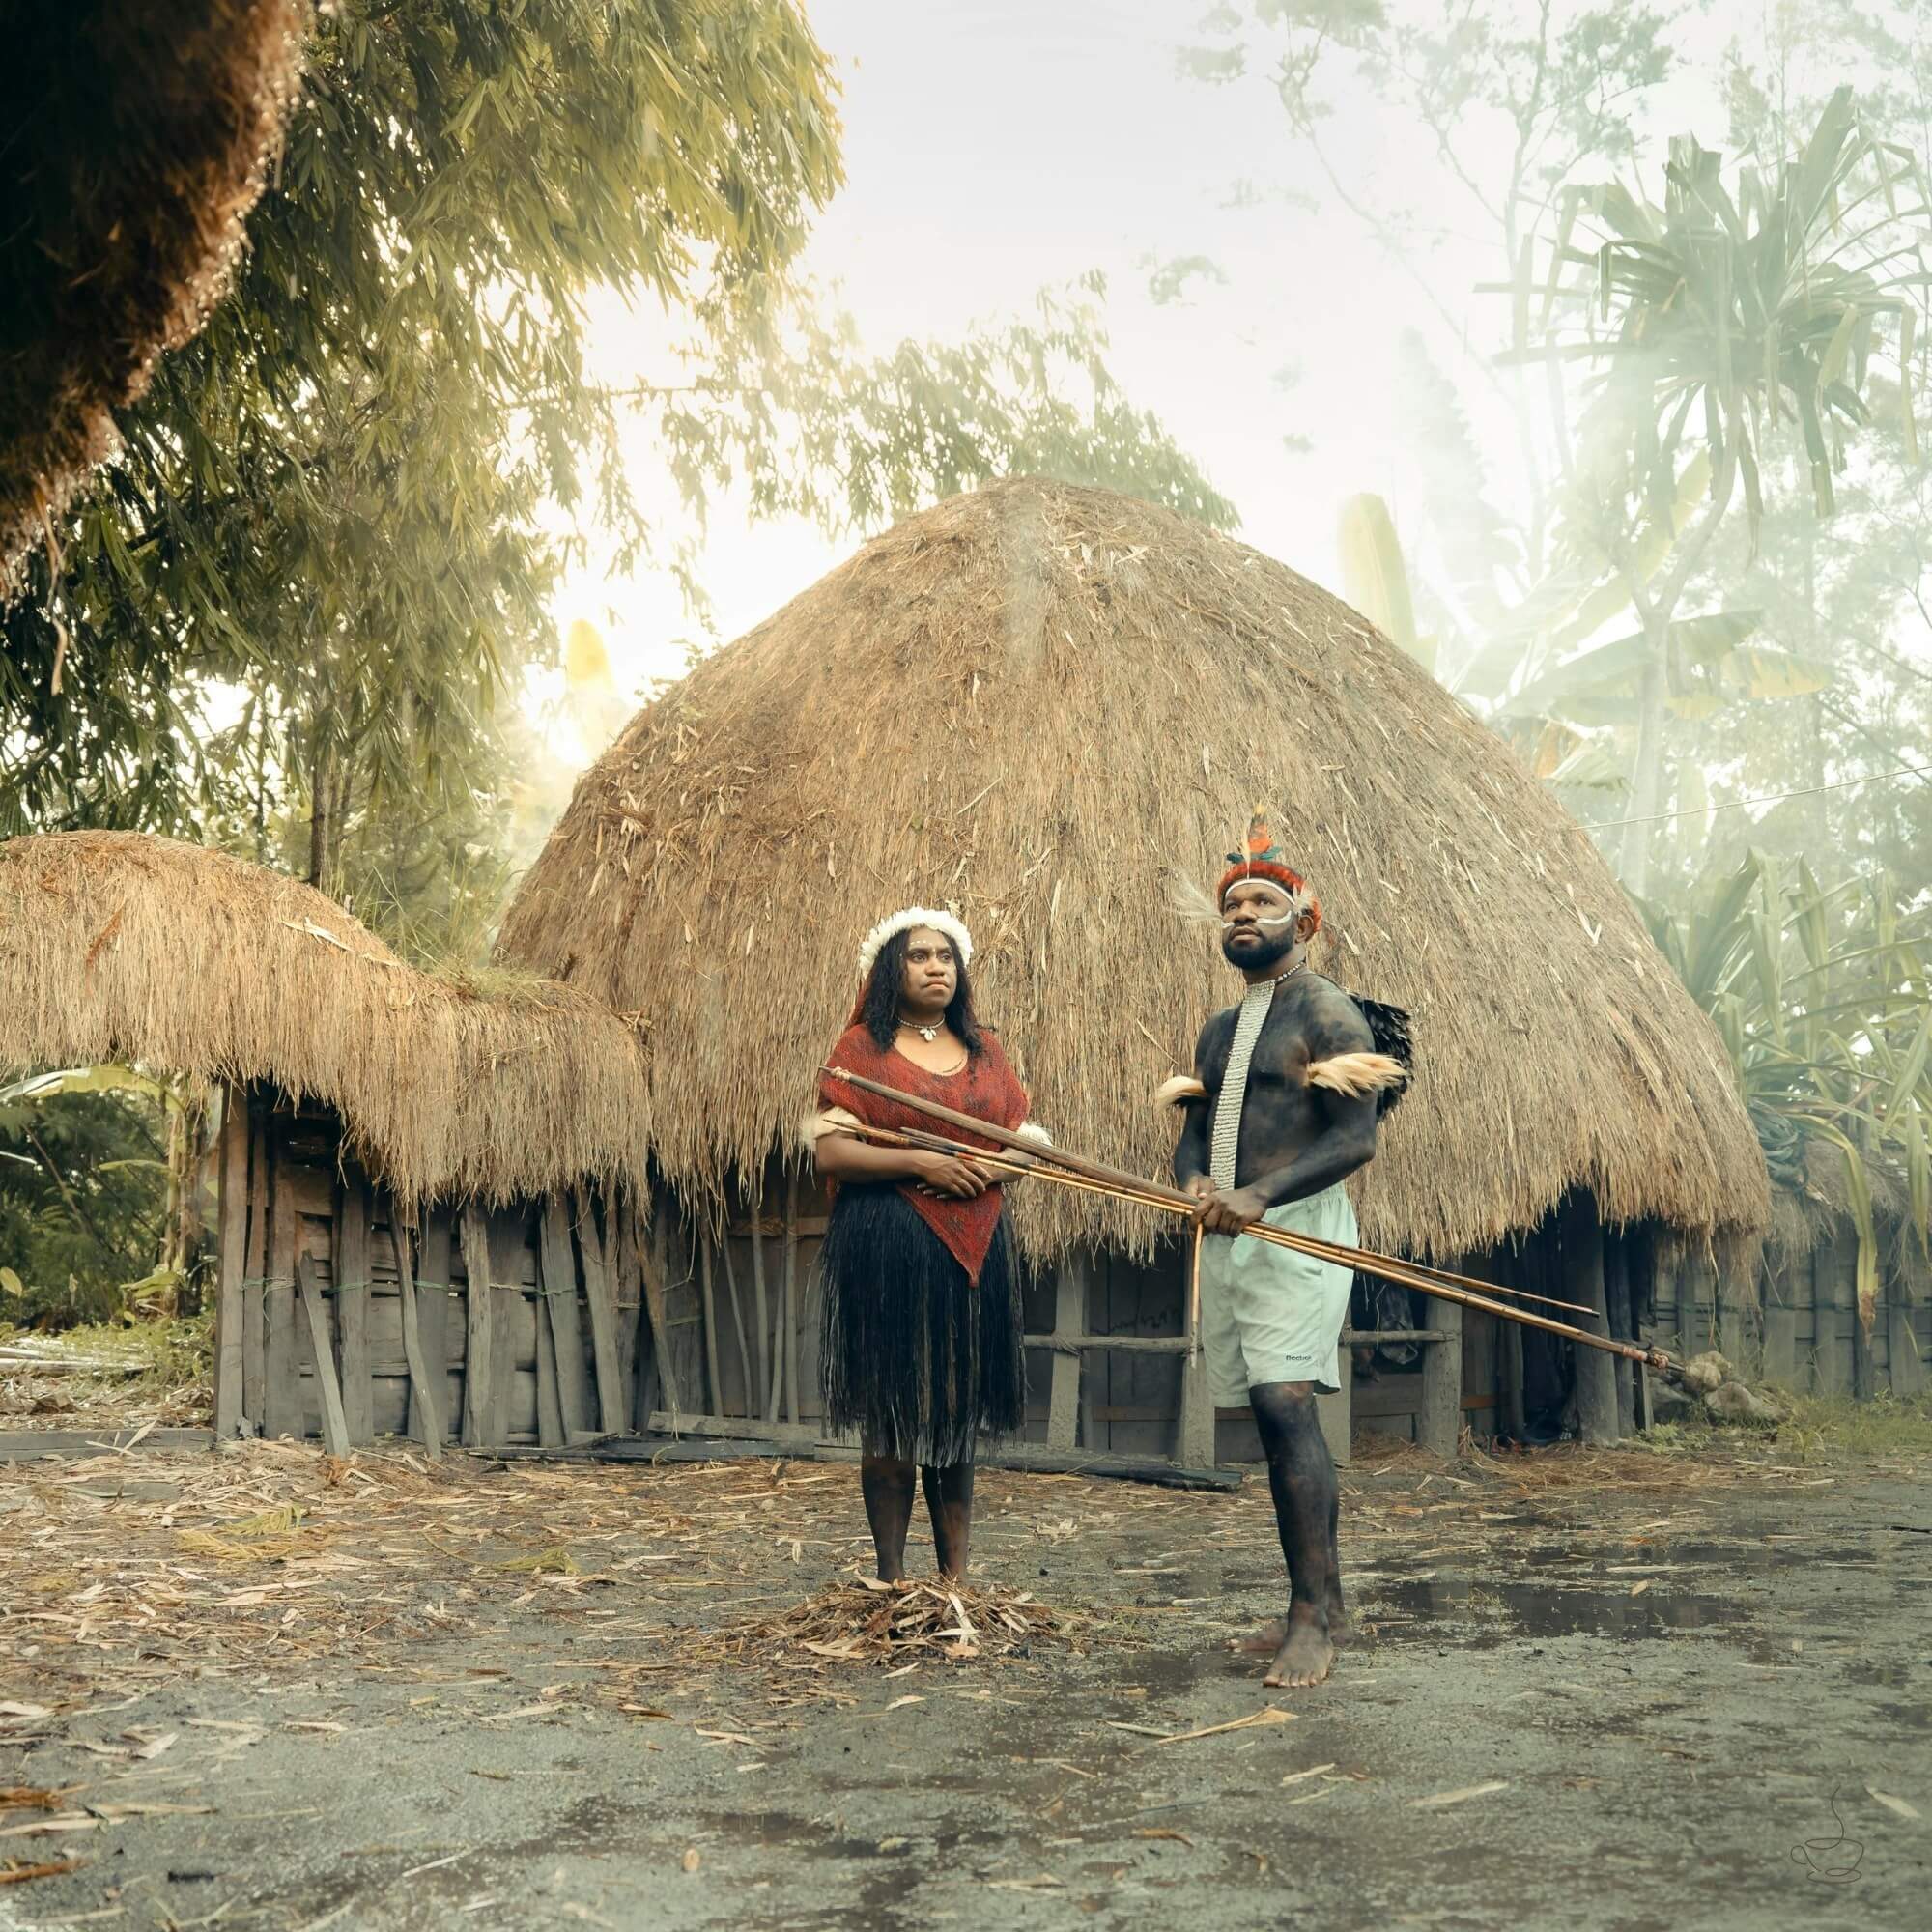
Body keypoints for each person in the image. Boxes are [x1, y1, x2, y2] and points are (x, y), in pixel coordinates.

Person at [1165, 814, 1408, 1688]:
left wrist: (1260, 1194)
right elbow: (1196, 1137)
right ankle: (1322, 1602)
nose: (1243, 914)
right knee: (1267, 1416)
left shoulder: (1329, 1011)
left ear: (1302, 920)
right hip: (1231, 1232)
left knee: (1285, 1405)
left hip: (1297, 1229)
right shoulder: (1221, 1028)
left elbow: (1356, 1141)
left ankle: (1313, 1619)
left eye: (1263, 901)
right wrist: (1198, 1185)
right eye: (1232, 904)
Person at [806, 906, 1047, 1584]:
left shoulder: (985, 1051)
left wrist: (990, 1169)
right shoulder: (861, 1051)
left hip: (973, 1251)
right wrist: (922, 1163)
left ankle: (953, 1586)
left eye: (946, 955)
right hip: (888, 1247)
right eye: (919, 955)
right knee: (891, 1411)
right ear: (892, 969)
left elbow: (1022, 1143)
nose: (936, 965)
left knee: (952, 1412)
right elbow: (831, 1152)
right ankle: (890, 1581)